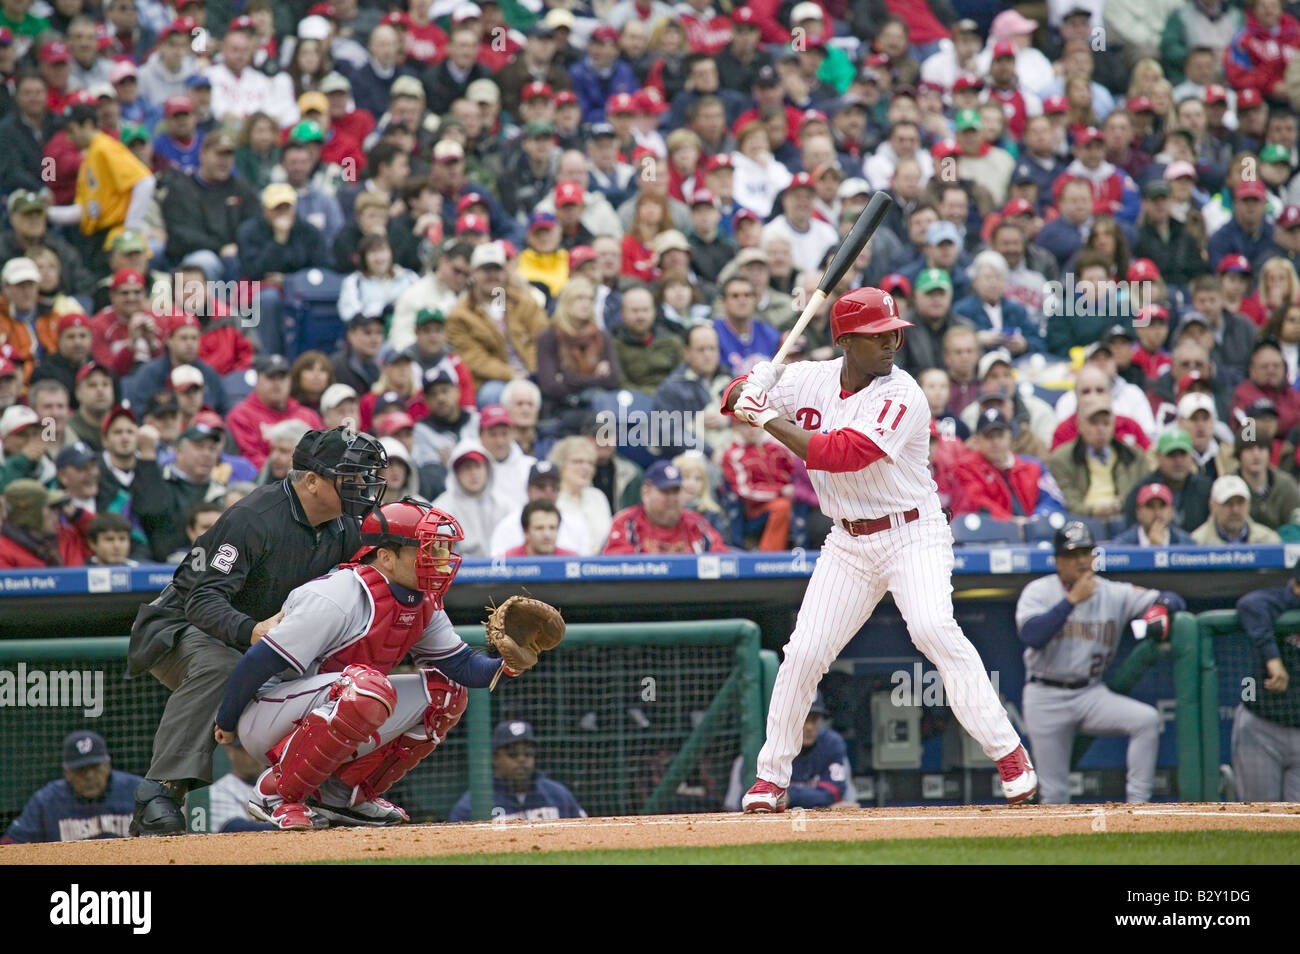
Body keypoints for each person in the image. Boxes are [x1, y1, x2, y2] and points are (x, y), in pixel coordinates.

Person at [725, 287, 1037, 811]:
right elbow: (733, 395)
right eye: (877, 336)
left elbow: (839, 455)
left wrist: (765, 418)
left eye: (894, 332)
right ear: (845, 341)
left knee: (933, 627)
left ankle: (1010, 755)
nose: (892, 342)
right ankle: (770, 779)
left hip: (912, 532)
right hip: (847, 540)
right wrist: (748, 385)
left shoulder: (904, 393)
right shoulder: (809, 378)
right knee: (802, 653)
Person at [213, 500, 540, 828]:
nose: (441, 561)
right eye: (430, 550)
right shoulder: (338, 594)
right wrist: (227, 722)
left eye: (441, 550)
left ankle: (343, 796)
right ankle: (274, 795)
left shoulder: (422, 601)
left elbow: (464, 668)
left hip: (334, 705)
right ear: (386, 556)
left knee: (447, 693)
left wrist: (507, 664)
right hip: (267, 714)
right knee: (367, 687)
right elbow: (259, 660)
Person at [126, 428, 387, 835]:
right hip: (179, 625)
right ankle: (159, 791)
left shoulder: (345, 524)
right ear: (313, 481)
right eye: (348, 477)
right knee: (225, 667)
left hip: (262, 634)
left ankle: (332, 792)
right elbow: (202, 600)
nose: (361, 486)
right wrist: (251, 631)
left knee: (340, 678)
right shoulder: (254, 517)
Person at [1016, 522, 1186, 804]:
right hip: (1045, 697)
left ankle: (1137, 807)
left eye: (1086, 552)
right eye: (1072, 555)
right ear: (1058, 561)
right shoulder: (1039, 591)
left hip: (1090, 694)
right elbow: (1033, 635)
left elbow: (1172, 599)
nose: (1081, 561)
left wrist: (1161, 609)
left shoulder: (1113, 593)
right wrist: (1071, 601)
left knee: (1146, 720)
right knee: (1055, 793)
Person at [1231, 564, 1300, 801]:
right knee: (1259, 819)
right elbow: (1249, 605)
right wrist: (1273, 658)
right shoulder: (1279, 601)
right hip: (1262, 727)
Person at [1, 731, 143, 844]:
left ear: (107, 765)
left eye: (95, 767)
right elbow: (10, 846)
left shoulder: (138, 791)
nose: (89, 776)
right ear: (67, 772)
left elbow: (164, 838)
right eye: (81, 770)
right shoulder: (46, 801)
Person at [448, 720, 585, 822]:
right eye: (513, 754)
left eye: (528, 753)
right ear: (495, 758)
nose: (522, 759)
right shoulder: (473, 804)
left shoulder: (558, 794)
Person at [1046, 392, 1146, 520]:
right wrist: (1094, 510)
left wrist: (1122, 505)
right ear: (1080, 425)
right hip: (1082, 522)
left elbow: (1141, 494)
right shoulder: (1061, 459)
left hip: (1126, 520)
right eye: (1093, 423)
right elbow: (1066, 501)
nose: (1101, 429)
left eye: (1106, 423)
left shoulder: (1134, 455)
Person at [603, 459, 728, 554]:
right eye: (665, 491)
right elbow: (619, 570)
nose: (672, 498)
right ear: (646, 492)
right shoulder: (626, 522)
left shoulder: (696, 524)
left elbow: (722, 558)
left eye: (676, 491)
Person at [227, 355, 325, 470]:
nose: (277, 383)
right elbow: (251, 458)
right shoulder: (242, 415)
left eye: (282, 377)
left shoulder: (308, 415)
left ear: (289, 381)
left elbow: (323, 452)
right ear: (257, 380)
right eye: (271, 377)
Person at [490, 460, 588, 557]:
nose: (548, 491)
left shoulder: (576, 525)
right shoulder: (507, 526)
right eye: (541, 486)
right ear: (528, 489)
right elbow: (497, 566)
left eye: (554, 486)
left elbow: (587, 566)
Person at [1122, 429, 1214, 530]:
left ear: (1191, 456)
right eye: (1172, 455)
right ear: (1158, 457)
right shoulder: (1141, 489)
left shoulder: (1205, 488)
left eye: (1183, 454)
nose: (1178, 461)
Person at [1190, 474, 1283, 543]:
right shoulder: (1197, 542)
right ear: (1212, 505)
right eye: (1227, 503)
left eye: (1240, 503)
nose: (1235, 510)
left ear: (1248, 504)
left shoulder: (1268, 540)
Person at [1110, 484, 1195, 546]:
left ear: (1171, 511)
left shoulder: (1186, 543)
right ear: (1138, 512)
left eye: (1162, 506)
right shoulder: (1121, 545)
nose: (1157, 512)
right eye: (1150, 506)